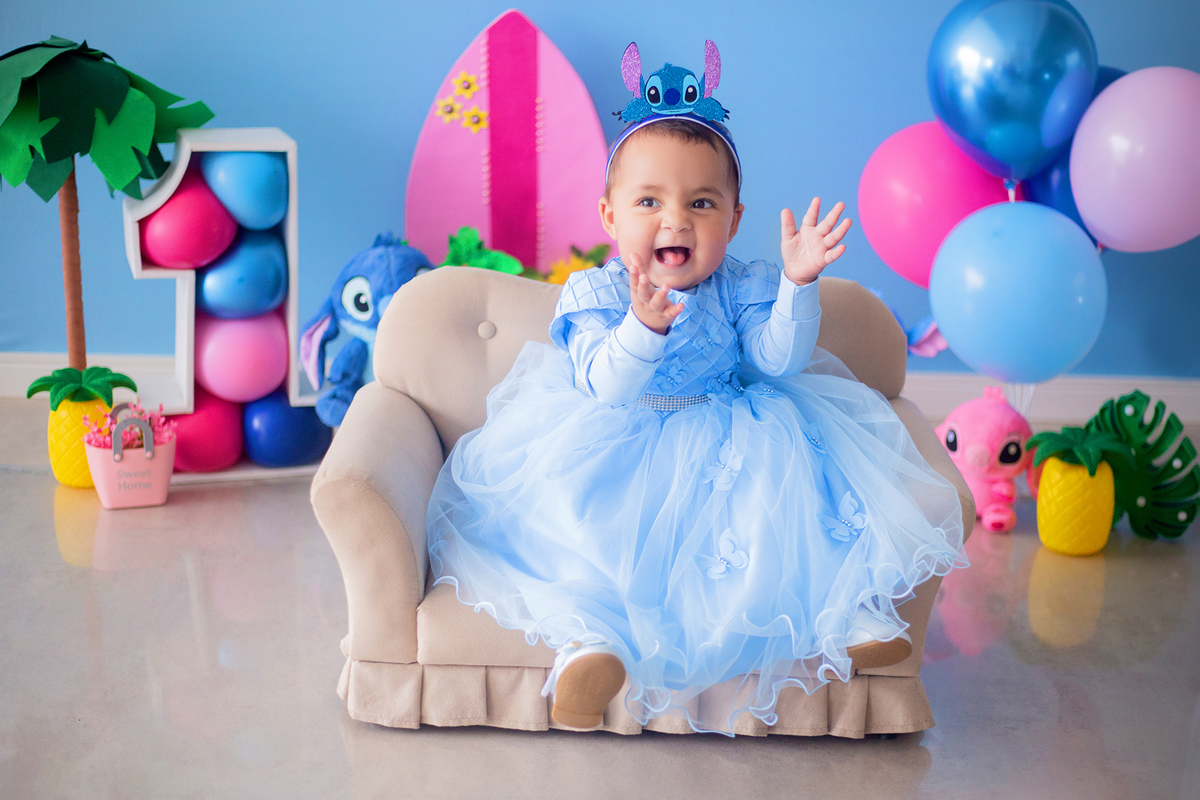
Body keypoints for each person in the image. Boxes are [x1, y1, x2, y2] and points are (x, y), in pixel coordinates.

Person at [426, 44, 965, 736]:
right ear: (610, 216)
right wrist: (641, 329)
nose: (675, 220)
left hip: (728, 432)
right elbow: (603, 384)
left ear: (734, 220)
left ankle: (847, 615)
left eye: (701, 203)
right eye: (648, 201)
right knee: (583, 529)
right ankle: (589, 648)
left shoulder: (740, 285)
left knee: (791, 503)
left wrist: (797, 287)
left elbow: (777, 363)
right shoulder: (594, 293)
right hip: (614, 438)